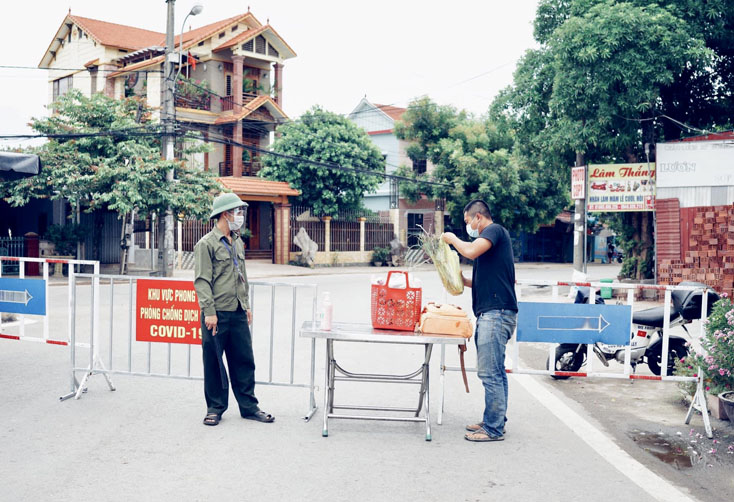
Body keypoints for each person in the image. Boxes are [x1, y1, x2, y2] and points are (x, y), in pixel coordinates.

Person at [194, 192, 274, 426]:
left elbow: (242, 276)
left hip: (238, 311)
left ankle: (249, 407)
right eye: (237, 211)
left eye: (241, 211)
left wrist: (246, 304)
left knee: (244, 361)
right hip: (216, 314)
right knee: (214, 363)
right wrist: (209, 311)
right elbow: (202, 281)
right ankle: (215, 408)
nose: (240, 215)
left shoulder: (237, 241)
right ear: (225, 214)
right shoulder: (206, 244)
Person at [442, 199, 517, 442]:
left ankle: (493, 429)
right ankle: (495, 420)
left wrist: (453, 239)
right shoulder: (491, 246)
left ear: (478, 218)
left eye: (467, 222)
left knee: (489, 373)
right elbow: (489, 280)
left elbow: (470, 250)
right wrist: (460, 280)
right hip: (496, 313)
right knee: (496, 371)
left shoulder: (493, 231)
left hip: (496, 315)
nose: (468, 227)